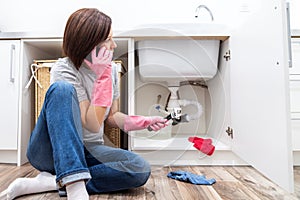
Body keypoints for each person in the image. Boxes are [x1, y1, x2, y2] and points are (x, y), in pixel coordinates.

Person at [0, 8, 167, 200]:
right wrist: (102, 77)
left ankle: (53, 182)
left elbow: (112, 117)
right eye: (108, 39)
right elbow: (91, 123)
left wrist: (142, 121)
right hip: (50, 150)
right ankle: (74, 186)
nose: (114, 45)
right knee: (61, 90)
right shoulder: (64, 69)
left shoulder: (111, 70)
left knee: (139, 168)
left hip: (88, 150)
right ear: (90, 43)